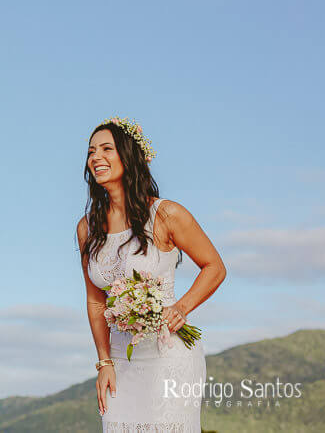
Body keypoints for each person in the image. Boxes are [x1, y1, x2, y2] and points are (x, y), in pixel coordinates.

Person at [77, 117, 226, 432]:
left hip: (167, 354)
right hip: (120, 360)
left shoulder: (166, 214)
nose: (95, 158)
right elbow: (95, 301)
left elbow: (214, 266)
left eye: (106, 148)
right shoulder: (86, 228)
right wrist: (104, 362)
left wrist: (181, 307)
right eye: (91, 151)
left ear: (128, 156)